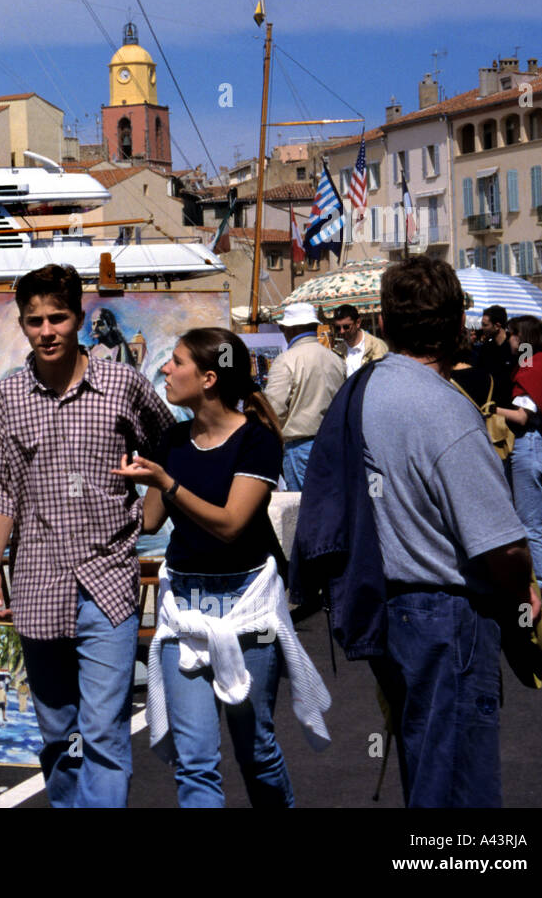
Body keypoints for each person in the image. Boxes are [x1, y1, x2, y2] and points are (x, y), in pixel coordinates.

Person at [292, 255, 539, 807]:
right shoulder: (444, 409)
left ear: (385, 322)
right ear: (456, 325)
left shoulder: (367, 389)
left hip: (392, 606)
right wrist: (521, 590)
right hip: (445, 614)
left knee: (427, 771)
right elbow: (502, 544)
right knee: (457, 784)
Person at [0, 263, 174, 808]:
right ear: (23, 325)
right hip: (36, 584)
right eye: (35, 321)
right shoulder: (8, 398)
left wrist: (151, 513)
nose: (47, 330)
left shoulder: (121, 383)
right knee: (60, 736)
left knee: (104, 734)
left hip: (108, 583)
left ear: (79, 318)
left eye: (58, 317)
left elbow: (169, 446)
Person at [113, 328, 329, 807]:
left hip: (247, 604)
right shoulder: (170, 438)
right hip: (184, 607)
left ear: (209, 378)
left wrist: (169, 483)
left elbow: (231, 524)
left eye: (176, 361)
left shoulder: (257, 441)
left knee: (256, 750)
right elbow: (149, 520)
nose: (165, 369)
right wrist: (122, 478)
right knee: (195, 763)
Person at [497, 315, 542, 595]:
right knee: (529, 518)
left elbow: (522, 417)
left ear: (522, 338)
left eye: (512, 334)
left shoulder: (531, 367)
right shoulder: (540, 363)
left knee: (529, 520)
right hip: (537, 443)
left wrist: (488, 408)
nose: (509, 339)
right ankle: (541, 579)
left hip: (528, 442)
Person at [263, 302, 345, 490]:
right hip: (333, 442)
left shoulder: (286, 360)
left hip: (300, 446)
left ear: (290, 329)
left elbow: (273, 410)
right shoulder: (335, 359)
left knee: (304, 508)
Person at [474, 305, 516, 412]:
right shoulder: (485, 348)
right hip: (490, 406)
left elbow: (527, 375)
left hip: (512, 407)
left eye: (485, 325)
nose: (482, 328)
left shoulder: (520, 347)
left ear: (497, 326)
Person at [330, 303, 388, 377]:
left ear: (358, 323)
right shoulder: (337, 352)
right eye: (338, 328)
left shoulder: (377, 346)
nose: (342, 331)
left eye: (346, 327)